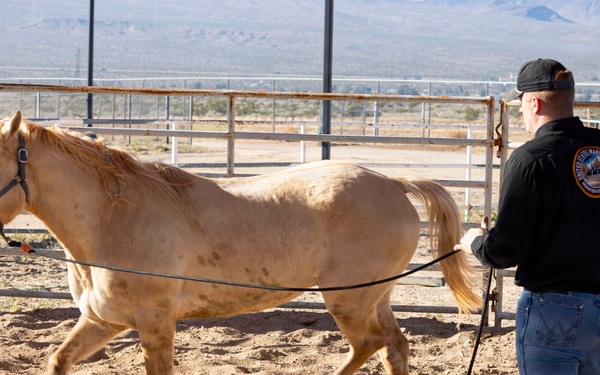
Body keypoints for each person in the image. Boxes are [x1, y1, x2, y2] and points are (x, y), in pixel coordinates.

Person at [454, 58, 600, 375]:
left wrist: (477, 242)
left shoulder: (529, 159)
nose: (520, 110)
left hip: (555, 311)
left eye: (520, 101)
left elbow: (506, 250)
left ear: (533, 102)